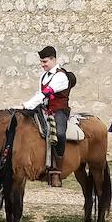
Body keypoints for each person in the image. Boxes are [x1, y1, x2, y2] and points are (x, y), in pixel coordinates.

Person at [22, 45, 71, 187]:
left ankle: (57, 171)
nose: (42, 65)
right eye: (41, 62)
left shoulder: (61, 76)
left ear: (53, 59)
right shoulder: (43, 76)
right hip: (43, 108)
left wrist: (29, 104)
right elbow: (40, 95)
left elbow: (46, 93)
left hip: (58, 110)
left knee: (60, 134)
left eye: (45, 62)